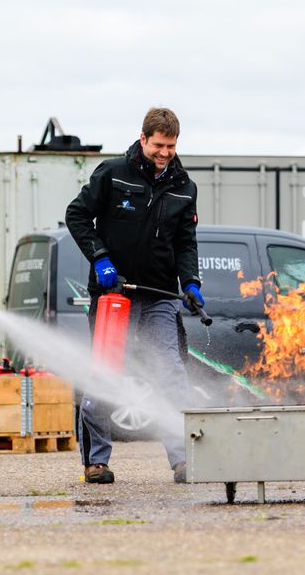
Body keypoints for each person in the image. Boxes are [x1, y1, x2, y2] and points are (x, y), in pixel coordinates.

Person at [65, 107, 203, 484]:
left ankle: (182, 459)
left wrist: (190, 282)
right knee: (107, 373)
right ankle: (96, 461)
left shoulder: (184, 186)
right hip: (115, 294)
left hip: (159, 295)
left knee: (170, 373)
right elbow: (76, 215)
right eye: (158, 145)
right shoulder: (112, 174)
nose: (164, 153)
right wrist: (100, 258)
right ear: (143, 139)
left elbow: (185, 242)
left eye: (171, 146)